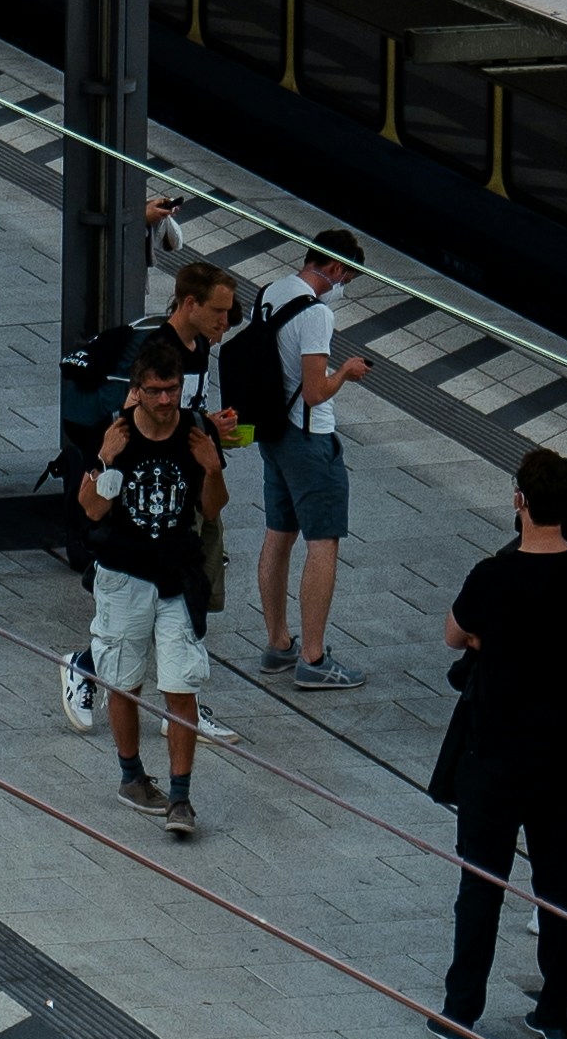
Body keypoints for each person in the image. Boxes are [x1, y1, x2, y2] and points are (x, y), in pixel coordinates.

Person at [435, 448, 567, 1039]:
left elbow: (453, 634)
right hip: (561, 755)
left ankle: (461, 1012)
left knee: (481, 883)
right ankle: (554, 1011)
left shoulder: (493, 574)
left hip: (494, 755)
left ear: (520, 501)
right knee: (556, 880)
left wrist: (488, 640)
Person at [70, 299, 229, 824]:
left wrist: (212, 469)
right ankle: (131, 776)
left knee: (181, 686)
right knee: (124, 682)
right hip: (123, 576)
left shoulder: (196, 431)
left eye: (173, 390)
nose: (165, 400)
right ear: (137, 389)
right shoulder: (116, 433)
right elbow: (92, 509)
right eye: (156, 390)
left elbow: (212, 509)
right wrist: (104, 460)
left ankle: (181, 796)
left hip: (177, 577)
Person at [245, 228, 366, 687]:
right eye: (345, 280)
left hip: (274, 432)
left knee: (278, 535)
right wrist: (346, 372)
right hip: (310, 438)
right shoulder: (316, 314)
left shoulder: (270, 292)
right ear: (334, 267)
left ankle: (278, 645)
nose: (342, 288)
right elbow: (315, 391)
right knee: (323, 543)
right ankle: (313, 659)